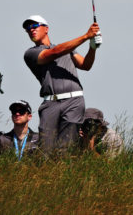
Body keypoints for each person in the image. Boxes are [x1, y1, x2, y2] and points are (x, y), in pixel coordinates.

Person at [22, 14, 102, 153]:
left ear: (46, 29)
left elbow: (85, 65)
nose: (31, 30)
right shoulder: (31, 53)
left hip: (74, 101)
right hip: (50, 103)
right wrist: (85, 36)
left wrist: (92, 47)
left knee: (66, 148)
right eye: (28, 28)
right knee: (46, 149)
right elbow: (53, 53)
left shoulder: (67, 49)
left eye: (35, 26)